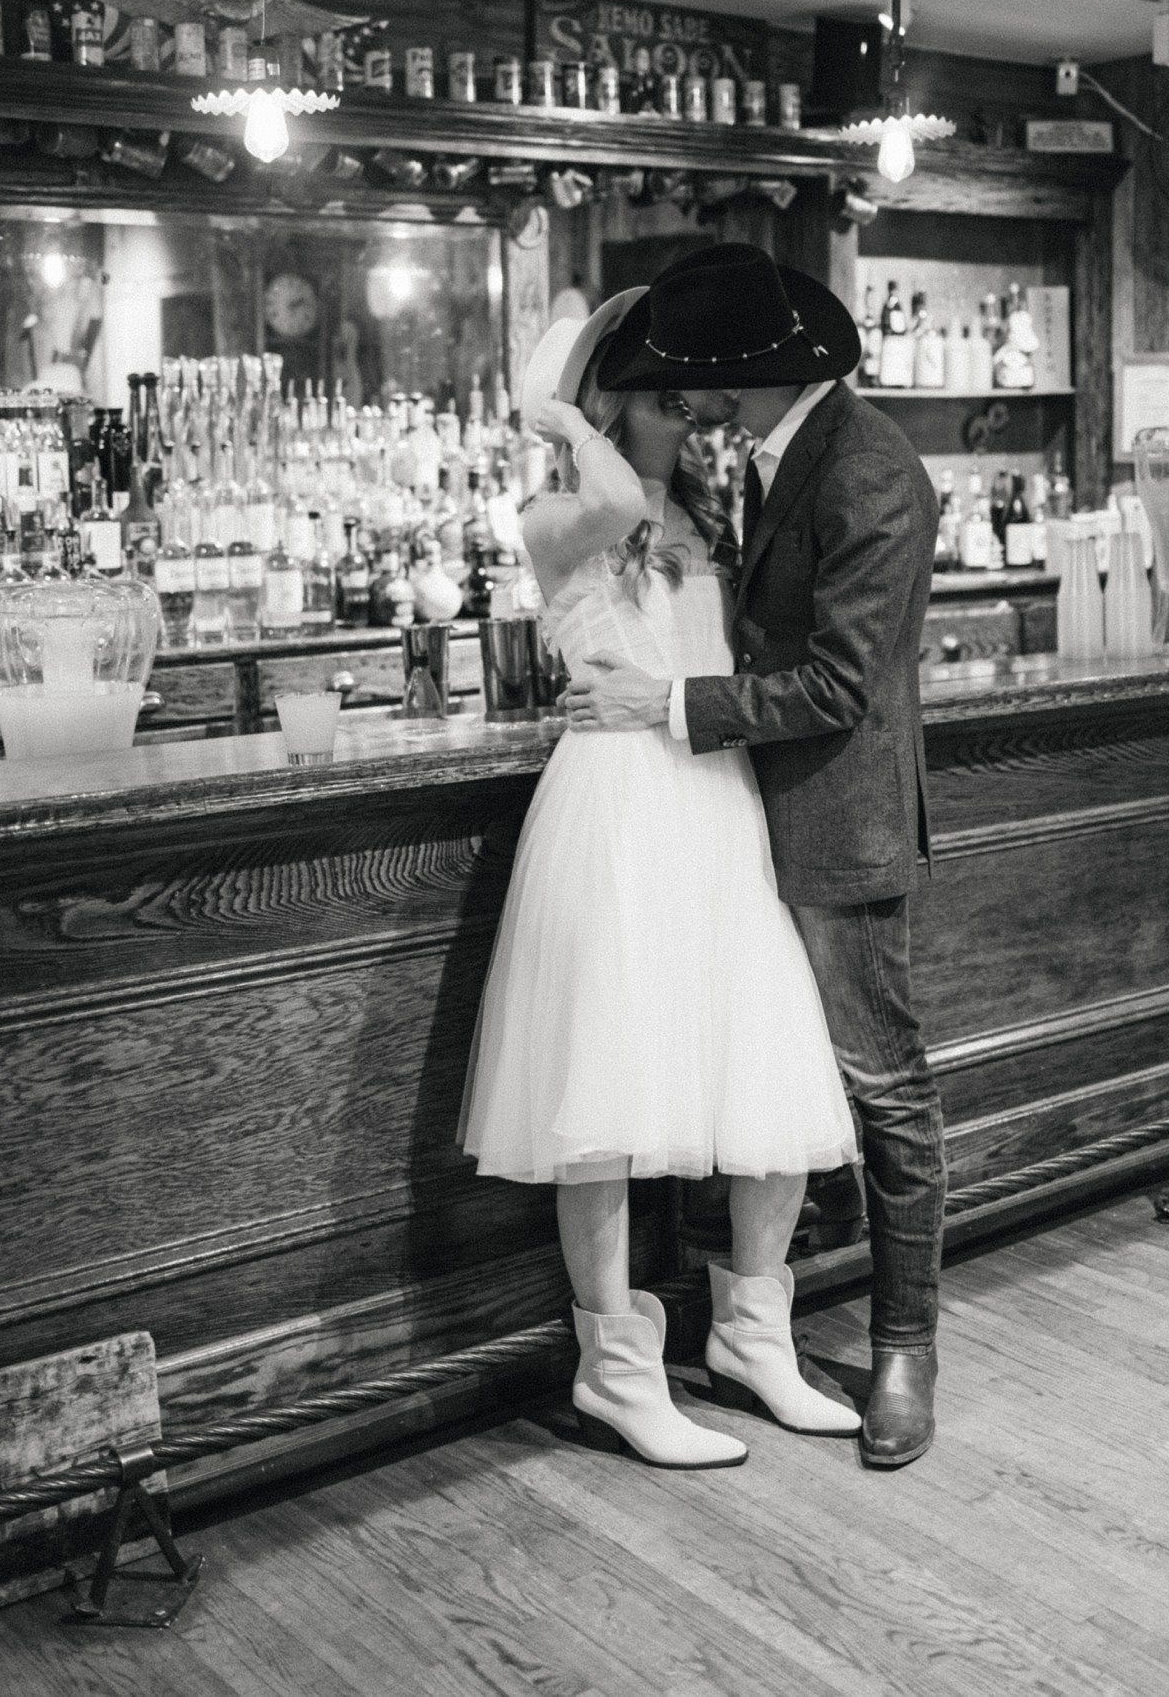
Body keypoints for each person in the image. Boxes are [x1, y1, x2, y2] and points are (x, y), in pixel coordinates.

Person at [458, 285, 861, 1469]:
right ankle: (616, 1370)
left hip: (713, 797)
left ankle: (753, 1336)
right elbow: (619, 497)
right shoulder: (546, 516)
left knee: (768, 1073)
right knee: (602, 1100)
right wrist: (563, 418)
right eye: (663, 389)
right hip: (614, 807)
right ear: (608, 401)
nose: (689, 406)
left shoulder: (704, 512)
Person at [564, 243, 945, 1471]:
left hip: (833, 822)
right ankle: (734, 1340)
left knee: (882, 1088)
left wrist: (673, 709)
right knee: (734, 1083)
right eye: (661, 384)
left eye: (693, 380)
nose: (684, 399)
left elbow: (838, 680)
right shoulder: (766, 463)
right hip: (732, 817)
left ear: (750, 375)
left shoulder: (873, 467)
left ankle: (903, 1350)